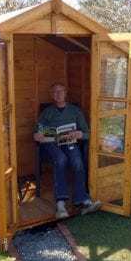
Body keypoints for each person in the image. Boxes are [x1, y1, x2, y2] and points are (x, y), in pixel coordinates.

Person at [33, 82, 101, 219]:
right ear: (51, 95)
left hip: (69, 142)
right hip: (51, 144)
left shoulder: (75, 111)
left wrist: (81, 135)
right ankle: (60, 203)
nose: (57, 94)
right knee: (61, 159)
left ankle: (82, 199)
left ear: (66, 92)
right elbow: (36, 131)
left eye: (60, 91)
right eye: (54, 92)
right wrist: (36, 135)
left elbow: (87, 132)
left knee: (77, 160)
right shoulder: (47, 112)